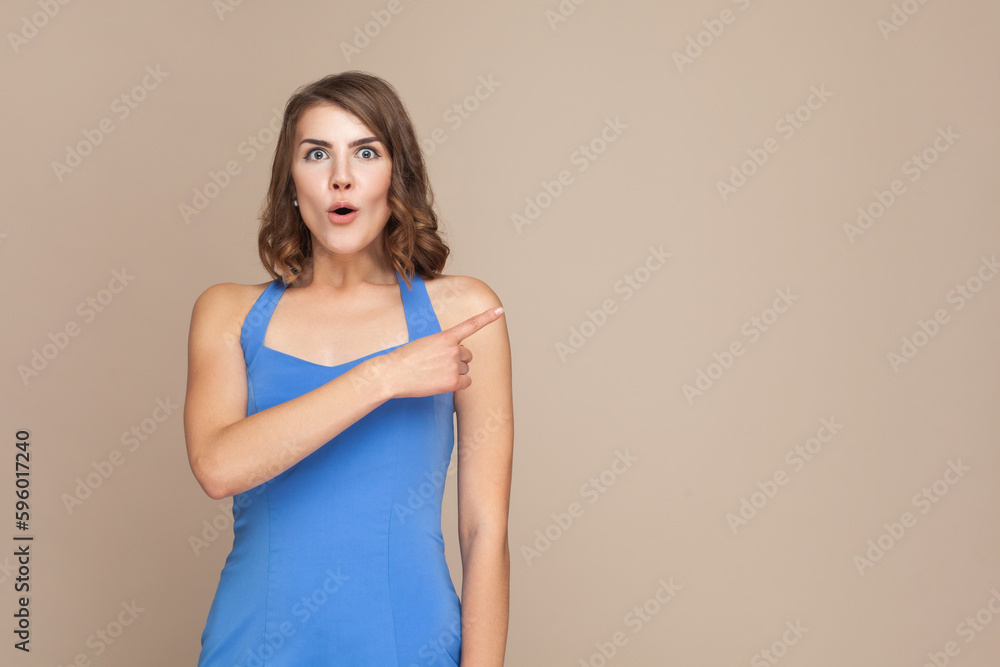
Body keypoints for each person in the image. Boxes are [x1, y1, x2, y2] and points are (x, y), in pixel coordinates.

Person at [183, 71, 512, 666]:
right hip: (252, 646)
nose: (341, 176)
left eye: (366, 151)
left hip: (407, 645)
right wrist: (385, 376)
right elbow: (218, 467)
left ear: (396, 174)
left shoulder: (463, 313)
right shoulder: (228, 313)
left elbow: (484, 532)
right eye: (316, 154)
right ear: (291, 182)